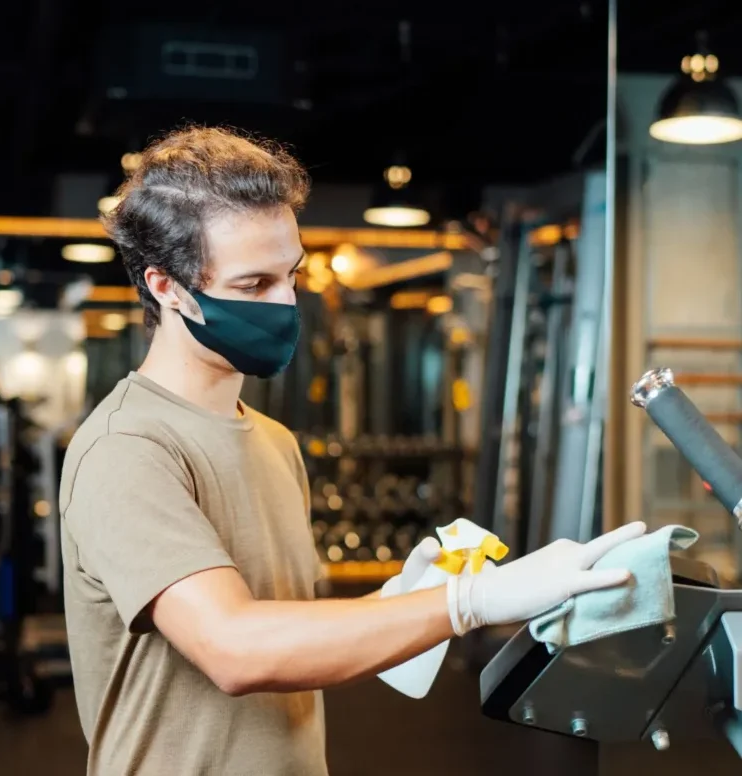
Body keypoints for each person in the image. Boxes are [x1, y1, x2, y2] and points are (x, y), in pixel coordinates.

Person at [59, 126, 645, 776]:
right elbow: (235, 650)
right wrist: (467, 604)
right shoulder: (126, 449)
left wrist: (397, 603)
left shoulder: (275, 444)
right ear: (166, 287)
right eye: (254, 285)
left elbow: (293, 640)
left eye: (292, 275)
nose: (286, 303)